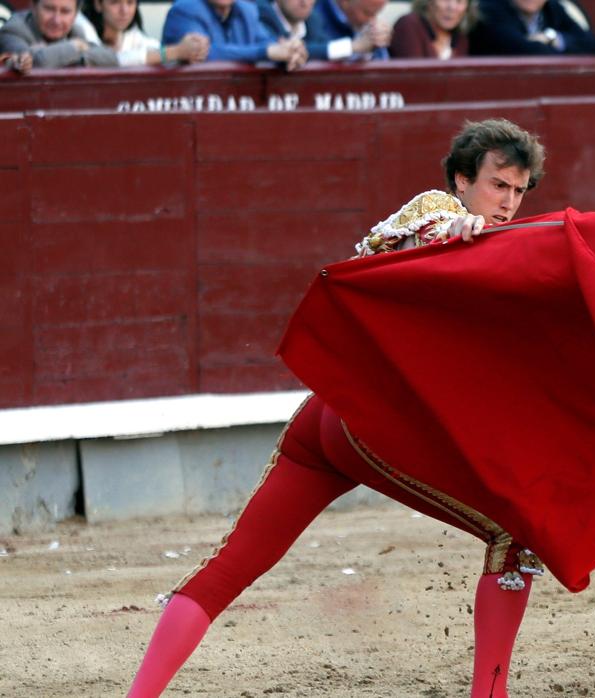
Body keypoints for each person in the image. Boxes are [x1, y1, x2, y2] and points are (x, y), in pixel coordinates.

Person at [126, 119, 546, 698]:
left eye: (519, 192)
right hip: (368, 426)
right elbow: (420, 233)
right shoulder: (440, 211)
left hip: (323, 422)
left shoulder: (499, 256)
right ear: (462, 180)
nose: (508, 202)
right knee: (515, 540)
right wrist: (454, 227)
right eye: (498, 185)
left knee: (228, 569)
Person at [162, 0, 309, 67]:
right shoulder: (184, 9)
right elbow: (204, 53)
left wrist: (291, 51)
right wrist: (266, 52)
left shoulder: (246, 10)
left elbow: (267, 43)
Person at [81, 0, 210, 65]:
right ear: (97, 4)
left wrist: (193, 49)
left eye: (130, 2)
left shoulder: (134, 36)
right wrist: (175, 51)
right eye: (115, 2)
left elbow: (153, 49)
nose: (124, 10)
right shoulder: (81, 29)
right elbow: (108, 60)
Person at [0, 0, 118, 68]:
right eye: (49, 9)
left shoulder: (75, 31)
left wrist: (68, 56)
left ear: (76, 15)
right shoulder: (13, 30)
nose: (57, 20)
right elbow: (36, 63)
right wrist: (75, 47)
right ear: (34, 7)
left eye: (65, 11)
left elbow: (111, 59)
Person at [468, 0, 595, 55]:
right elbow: (523, 50)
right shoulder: (490, 8)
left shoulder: (552, 8)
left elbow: (594, 47)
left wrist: (552, 37)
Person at [306, 0, 391, 61]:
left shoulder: (365, 23)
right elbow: (307, 52)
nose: (372, 20)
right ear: (345, 1)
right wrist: (353, 47)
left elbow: (383, 64)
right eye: (367, 13)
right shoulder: (312, 12)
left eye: (376, 13)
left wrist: (376, 44)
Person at [392, 0, 473, 58]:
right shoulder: (409, 25)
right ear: (429, 2)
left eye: (459, 1)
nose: (452, 7)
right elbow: (413, 78)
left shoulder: (462, 40)